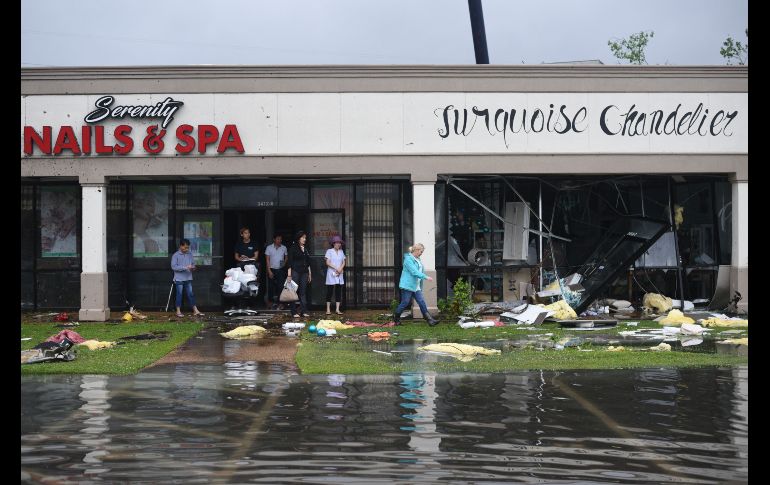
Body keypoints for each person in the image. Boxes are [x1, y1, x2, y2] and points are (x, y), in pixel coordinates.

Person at [394, 243, 437, 326]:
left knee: (421, 302)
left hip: (416, 286)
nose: (422, 253)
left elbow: (419, 270)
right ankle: (396, 318)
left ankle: (430, 320)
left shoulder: (418, 259)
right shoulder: (408, 260)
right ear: (416, 250)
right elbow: (414, 272)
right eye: (421, 251)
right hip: (407, 285)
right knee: (405, 302)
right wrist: (426, 277)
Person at [171, 238, 204, 318]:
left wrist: (193, 267)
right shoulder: (175, 255)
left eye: (188, 247)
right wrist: (185, 267)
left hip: (188, 277)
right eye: (185, 247)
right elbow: (174, 267)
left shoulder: (190, 254)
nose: (186, 249)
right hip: (179, 278)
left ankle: (195, 310)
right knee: (179, 294)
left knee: (190, 294)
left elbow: (193, 264)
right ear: (180, 246)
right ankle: (178, 311)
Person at [286, 230, 312, 318]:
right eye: (303, 238)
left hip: (304, 272)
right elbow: (289, 262)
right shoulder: (293, 248)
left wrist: (310, 274)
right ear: (298, 238)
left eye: (305, 238)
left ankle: (304, 311)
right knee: (293, 291)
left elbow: (308, 262)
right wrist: (289, 275)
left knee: (303, 292)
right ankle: (293, 312)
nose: (304, 239)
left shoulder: (305, 249)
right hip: (295, 271)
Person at [264, 233, 288, 310]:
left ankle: (280, 303)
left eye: (280, 239)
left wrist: (284, 262)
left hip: (280, 269)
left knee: (280, 286)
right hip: (271, 269)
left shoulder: (284, 248)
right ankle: (270, 302)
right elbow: (267, 260)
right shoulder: (269, 248)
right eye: (278, 239)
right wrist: (269, 271)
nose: (279, 240)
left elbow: (286, 256)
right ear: (274, 239)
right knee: (270, 287)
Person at [324, 235, 346, 315]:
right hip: (331, 273)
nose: (338, 244)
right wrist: (337, 268)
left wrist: (341, 268)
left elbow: (344, 262)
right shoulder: (329, 251)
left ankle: (337, 309)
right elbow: (327, 262)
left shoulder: (341, 251)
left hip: (339, 273)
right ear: (333, 243)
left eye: (339, 243)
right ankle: (328, 309)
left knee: (338, 291)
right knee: (329, 291)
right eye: (337, 243)